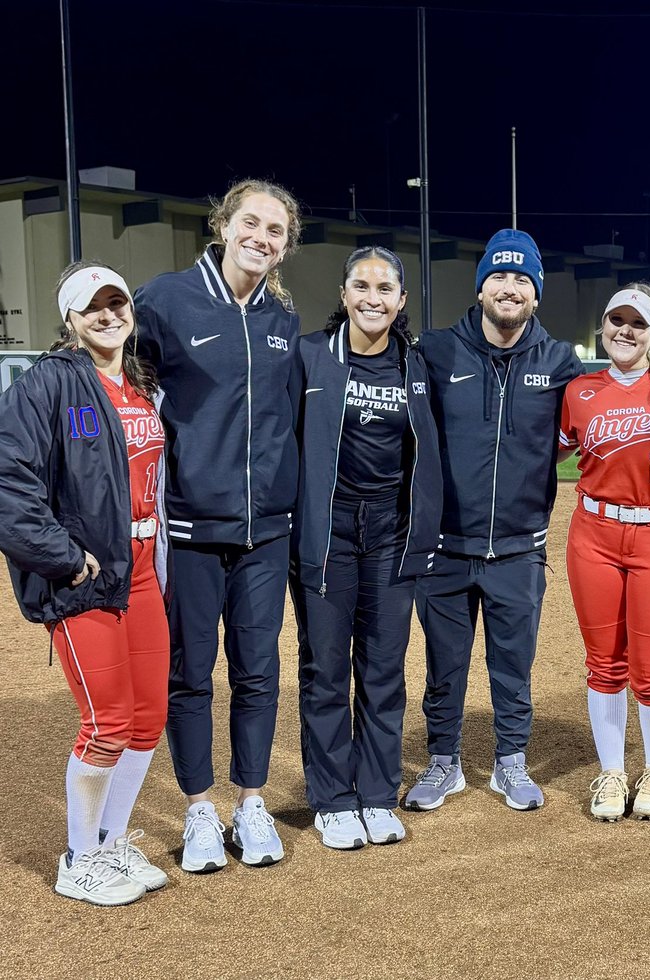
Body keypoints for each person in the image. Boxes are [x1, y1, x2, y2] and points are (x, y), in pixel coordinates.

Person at [135, 179, 303, 871]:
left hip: (266, 531)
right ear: (224, 223)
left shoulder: (282, 319)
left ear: (286, 246)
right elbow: (125, 396)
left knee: (258, 671)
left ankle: (252, 802)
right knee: (190, 675)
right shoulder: (164, 301)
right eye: (252, 223)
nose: (261, 238)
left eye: (276, 231)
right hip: (190, 531)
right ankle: (201, 809)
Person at [0, 262, 169, 906]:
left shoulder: (138, 383)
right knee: (108, 721)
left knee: (148, 719)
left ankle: (111, 842)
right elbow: (10, 486)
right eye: (91, 307)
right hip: (88, 577)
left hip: (145, 570)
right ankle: (80, 858)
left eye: (116, 302)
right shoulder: (48, 384)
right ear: (69, 320)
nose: (107, 315)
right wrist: (64, 558)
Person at [404, 229, 583, 812]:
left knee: (514, 665)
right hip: (446, 547)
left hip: (518, 547)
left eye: (523, 279)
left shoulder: (559, 360)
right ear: (481, 287)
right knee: (443, 664)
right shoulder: (434, 350)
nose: (511, 288)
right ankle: (443, 761)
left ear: (536, 294)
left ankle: (511, 761)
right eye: (500, 276)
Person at [290, 247, 441, 849]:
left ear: (401, 301)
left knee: (383, 668)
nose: (373, 297)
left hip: (392, 533)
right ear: (345, 294)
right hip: (329, 531)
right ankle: (331, 798)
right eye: (361, 285)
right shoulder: (310, 357)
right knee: (325, 668)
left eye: (385, 288)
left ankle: (376, 792)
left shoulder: (417, 365)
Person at [559, 285, 650, 821]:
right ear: (603, 327)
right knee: (603, 665)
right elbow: (537, 452)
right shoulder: (580, 390)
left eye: (637, 323)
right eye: (615, 320)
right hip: (593, 534)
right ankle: (612, 772)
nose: (625, 330)